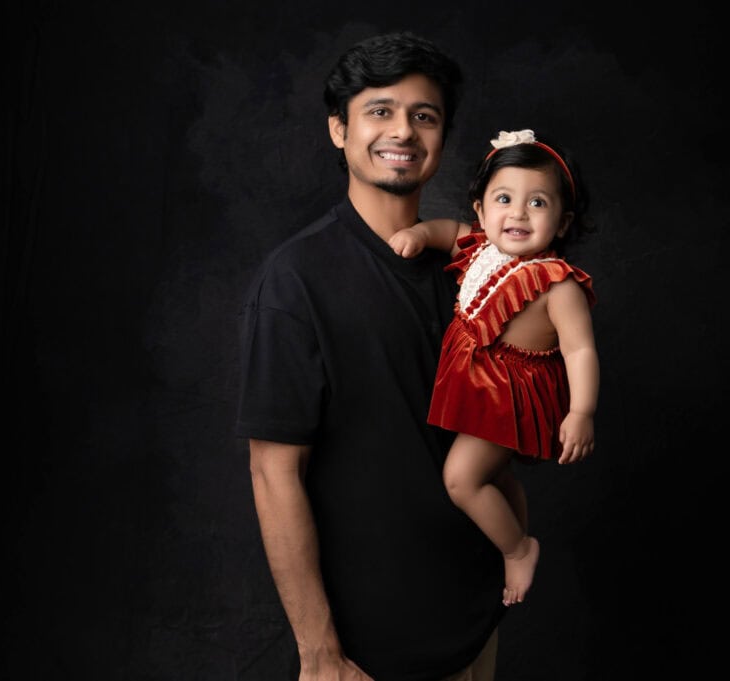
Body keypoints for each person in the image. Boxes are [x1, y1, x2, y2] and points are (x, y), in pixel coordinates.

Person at [236, 32, 505, 681]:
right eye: (380, 110)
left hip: (475, 625)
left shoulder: (472, 272)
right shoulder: (297, 280)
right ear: (339, 130)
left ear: (442, 137)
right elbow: (275, 474)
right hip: (365, 656)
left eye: (425, 115)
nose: (404, 131)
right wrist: (320, 650)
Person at [388, 128, 599, 607]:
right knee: (498, 477)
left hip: (511, 393)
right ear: (482, 209)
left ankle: (518, 547)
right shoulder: (482, 246)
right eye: (504, 198)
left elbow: (580, 351)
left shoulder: (557, 284)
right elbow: (447, 231)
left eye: (538, 203)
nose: (518, 213)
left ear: (563, 222)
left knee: (461, 479)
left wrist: (581, 411)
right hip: (477, 382)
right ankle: (512, 535)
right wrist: (420, 234)